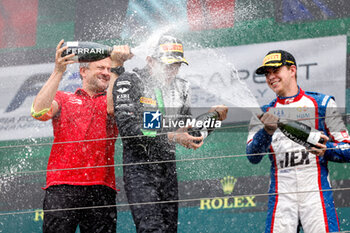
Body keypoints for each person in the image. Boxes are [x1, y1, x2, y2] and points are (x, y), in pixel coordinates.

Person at [111, 35, 228, 232]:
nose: (172, 70)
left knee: (168, 229)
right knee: (151, 229)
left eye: (177, 65)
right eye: (167, 65)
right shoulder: (129, 81)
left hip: (167, 169)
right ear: (150, 60)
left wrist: (213, 118)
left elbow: (190, 133)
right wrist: (171, 136)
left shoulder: (182, 87)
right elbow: (128, 130)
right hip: (140, 169)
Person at [31, 39, 132, 233]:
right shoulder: (64, 98)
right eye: (100, 67)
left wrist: (118, 66)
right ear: (83, 71)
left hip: (101, 188)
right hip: (62, 187)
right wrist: (58, 71)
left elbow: (113, 109)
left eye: (109, 69)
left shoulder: (113, 101)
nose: (106, 72)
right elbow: (38, 111)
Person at [246, 50, 350, 233]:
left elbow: (348, 149)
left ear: (292, 70)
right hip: (282, 196)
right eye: (267, 73)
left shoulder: (322, 103)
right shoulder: (263, 113)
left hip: (316, 194)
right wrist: (267, 131)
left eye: (275, 70)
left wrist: (327, 149)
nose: (271, 77)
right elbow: (252, 156)